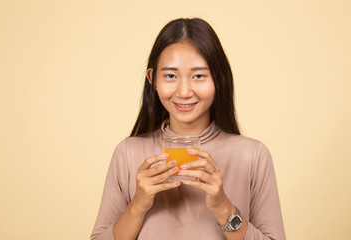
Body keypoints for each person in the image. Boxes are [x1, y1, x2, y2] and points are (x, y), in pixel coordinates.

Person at [91, 18, 286, 240]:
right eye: (171, 76)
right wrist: (138, 205)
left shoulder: (253, 155)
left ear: (219, 79)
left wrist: (224, 207)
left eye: (198, 76)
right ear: (152, 79)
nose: (184, 91)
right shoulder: (127, 153)